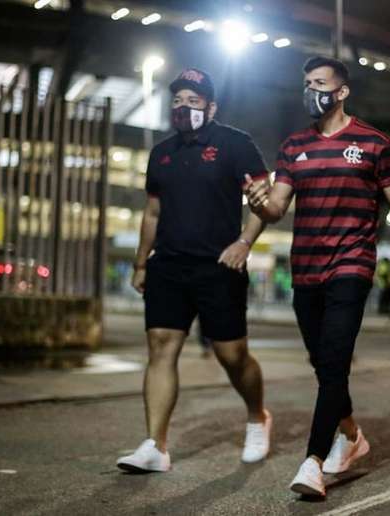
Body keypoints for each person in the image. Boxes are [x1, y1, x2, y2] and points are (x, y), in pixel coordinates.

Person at [244, 57, 390, 497]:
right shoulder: (293, 146)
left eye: (320, 83)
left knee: (335, 360)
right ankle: (353, 435)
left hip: (352, 265)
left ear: (341, 92)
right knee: (324, 366)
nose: (311, 91)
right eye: (306, 83)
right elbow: (277, 208)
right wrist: (257, 203)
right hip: (305, 268)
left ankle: (313, 461)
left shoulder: (374, 143)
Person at [116, 68, 272, 473]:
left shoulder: (235, 144)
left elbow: (264, 201)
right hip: (167, 265)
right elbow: (152, 212)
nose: (184, 106)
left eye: (193, 100)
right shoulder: (161, 153)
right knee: (161, 347)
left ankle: (257, 416)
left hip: (219, 266)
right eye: (178, 100)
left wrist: (244, 243)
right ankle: (156, 445)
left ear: (211, 107)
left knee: (231, 355)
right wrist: (140, 262)